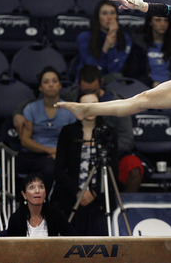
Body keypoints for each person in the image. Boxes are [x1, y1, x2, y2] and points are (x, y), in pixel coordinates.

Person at [14, 64, 142, 192]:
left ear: (101, 84)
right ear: (79, 86)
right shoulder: (71, 97)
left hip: (111, 151)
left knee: (132, 166)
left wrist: (104, 148)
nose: (89, 108)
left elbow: (127, 139)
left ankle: (119, 207)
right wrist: (18, 113)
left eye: (94, 93)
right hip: (79, 151)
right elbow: (50, 96)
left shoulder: (117, 103)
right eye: (85, 92)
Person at [52, 90, 119, 236]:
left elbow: (113, 170)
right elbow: (59, 169)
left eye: (94, 105)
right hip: (72, 197)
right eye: (85, 105)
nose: (90, 108)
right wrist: (78, 192)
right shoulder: (68, 131)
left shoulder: (109, 133)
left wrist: (93, 193)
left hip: (100, 199)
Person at [17, 66, 76, 188]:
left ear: (60, 85)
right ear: (40, 87)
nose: (51, 85)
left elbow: (72, 140)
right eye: (46, 82)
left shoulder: (69, 111)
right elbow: (25, 141)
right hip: (35, 154)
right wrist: (49, 150)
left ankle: (47, 202)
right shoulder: (31, 109)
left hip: (60, 156)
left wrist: (59, 154)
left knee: (51, 168)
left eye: (54, 81)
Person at [6, 173, 75, 237]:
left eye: (41, 187)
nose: (37, 191)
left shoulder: (57, 216)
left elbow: (73, 241)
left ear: (45, 193)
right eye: (31, 187)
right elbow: (11, 248)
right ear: (24, 195)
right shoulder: (16, 219)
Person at [76, 0, 132, 77]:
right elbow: (94, 70)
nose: (109, 17)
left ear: (117, 16)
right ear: (98, 17)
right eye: (104, 13)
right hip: (88, 80)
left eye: (112, 13)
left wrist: (112, 47)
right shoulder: (84, 37)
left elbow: (114, 70)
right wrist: (105, 47)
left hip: (112, 81)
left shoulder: (125, 38)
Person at [122, 14, 171, 88]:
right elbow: (131, 73)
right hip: (145, 88)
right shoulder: (139, 44)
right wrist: (151, 84)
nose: (162, 24)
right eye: (158, 20)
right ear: (150, 22)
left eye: (166, 20)